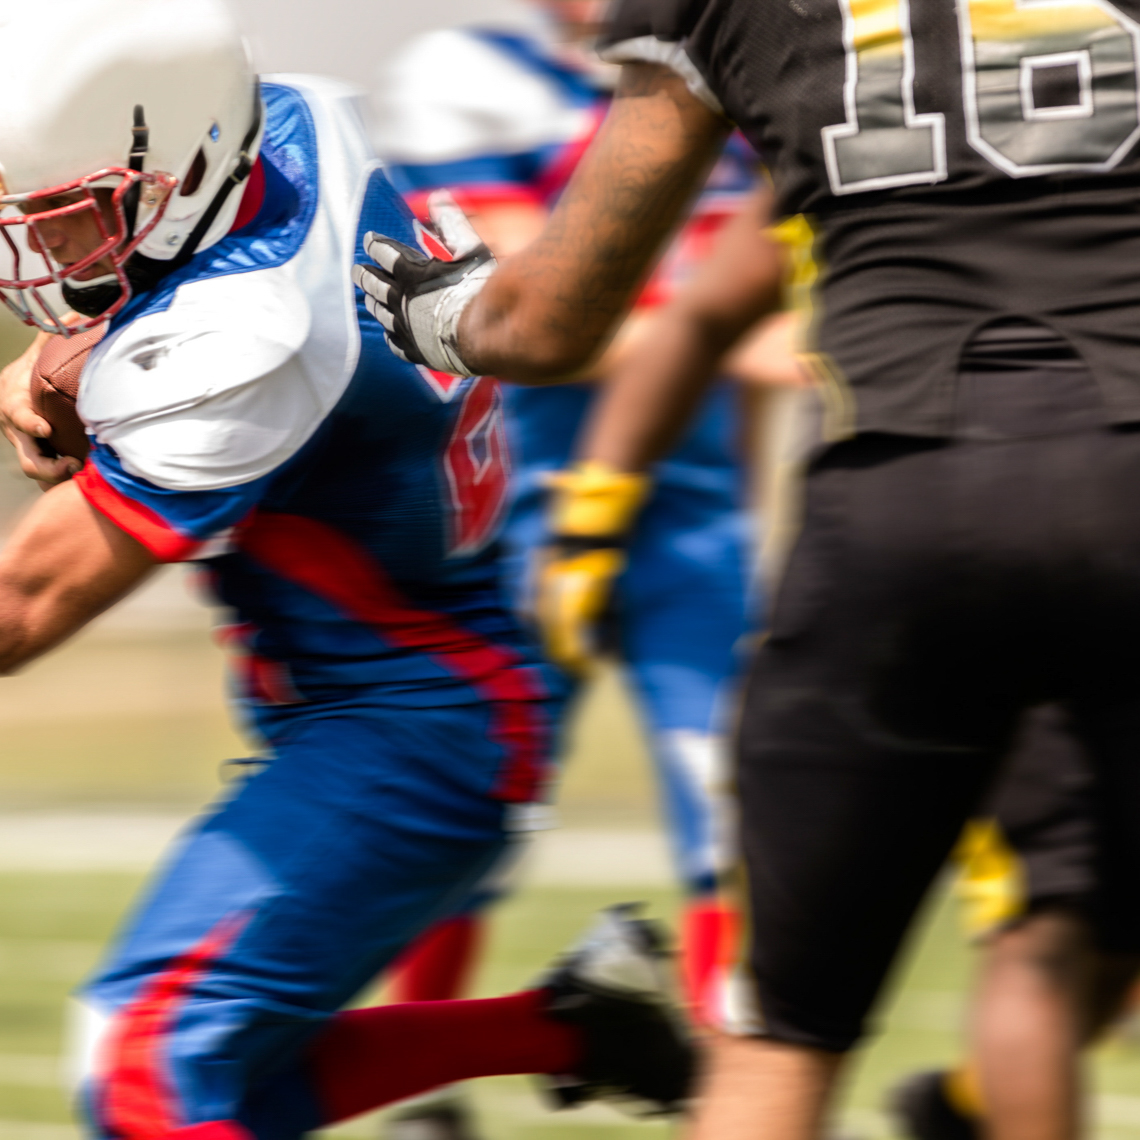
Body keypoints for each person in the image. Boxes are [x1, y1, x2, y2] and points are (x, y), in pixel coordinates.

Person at [353, 1, 1140, 1138]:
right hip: (1119, 484)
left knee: (782, 1035)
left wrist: (440, 322)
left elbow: (550, 321)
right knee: (1057, 939)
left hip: (898, 506)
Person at [0, 1, 694, 1137]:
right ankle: (572, 1026)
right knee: (228, 1078)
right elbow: (154, 277)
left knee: (143, 1060)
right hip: (424, 682)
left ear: (170, 162)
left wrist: (66, 366)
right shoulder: (287, 127)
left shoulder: (243, 340)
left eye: (70, 221)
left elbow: (18, 614)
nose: (40, 253)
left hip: (411, 725)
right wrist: (63, 350)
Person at [372, 10, 773, 1137]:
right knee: (471, 810)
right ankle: (429, 1092)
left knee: (730, 810)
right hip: (518, 509)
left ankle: (734, 1097)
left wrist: (741, 481)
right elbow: (514, 319)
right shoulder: (468, 77)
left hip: (686, 517)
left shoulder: (740, 56)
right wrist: (732, 332)